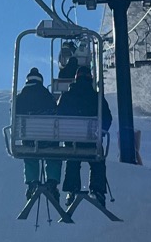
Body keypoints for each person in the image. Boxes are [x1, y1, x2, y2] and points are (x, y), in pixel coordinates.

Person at [57, 62, 112, 203]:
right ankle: (98, 189)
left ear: (76, 79)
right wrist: (102, 132)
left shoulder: (66, 97)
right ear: (90, 78)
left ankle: (71, 189)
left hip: (72, 142)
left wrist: (65, 132)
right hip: (92, 142)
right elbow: (107, 117)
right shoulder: (97, 97)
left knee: (73, 159)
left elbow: (58, 117)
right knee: (97, 161)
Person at [13, 67, 58, 198]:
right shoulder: (48, 96)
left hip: (30, 139)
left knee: (30, 152)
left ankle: (33, 182)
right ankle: (52, 181)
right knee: (53, 154)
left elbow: (14, 116)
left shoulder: (20, 97)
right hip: (48, 139)